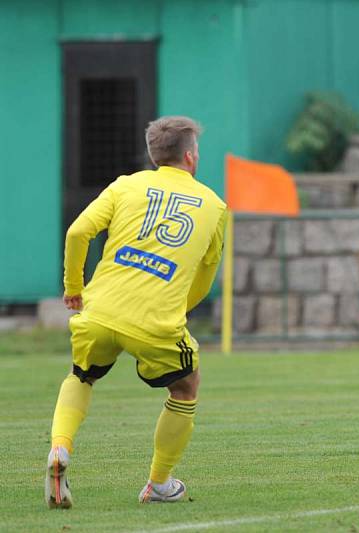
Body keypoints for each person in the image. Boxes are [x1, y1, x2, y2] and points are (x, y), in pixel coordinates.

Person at [45, 116, 228, 508]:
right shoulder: (214, 206)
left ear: (153, 155)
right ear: (191, 157)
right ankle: (159, 484)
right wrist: (176, 307)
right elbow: (205, 278)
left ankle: (60, 449)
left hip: (101, 309)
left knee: (81, 375)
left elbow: (78, 232)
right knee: (186, 385)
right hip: (156, 323)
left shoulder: (125, 184)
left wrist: (74, 290)